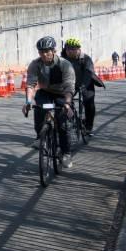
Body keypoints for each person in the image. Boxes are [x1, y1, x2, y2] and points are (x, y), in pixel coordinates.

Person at [24, 36, 77, 167]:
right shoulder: (35, 64)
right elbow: (30, 84)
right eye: (41, 52)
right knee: (39, 109)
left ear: (54, 51)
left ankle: (66, 153)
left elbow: (69, 86)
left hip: (62, 94)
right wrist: (28, 101)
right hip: (45, 92)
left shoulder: (64, 64)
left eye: (47, 51)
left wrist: (67, 103)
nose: (44, 54)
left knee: (63, 124)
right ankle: (40, 136)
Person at [62, 37, 104, 136]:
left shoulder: (85, 58)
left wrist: (83, 86)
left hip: (85, 83)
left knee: (89, 102)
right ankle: (71, 119)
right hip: (70, 84)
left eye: (73, 49)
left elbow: (88, 73)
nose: (70, 51)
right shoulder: (62, 58)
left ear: (78, 49)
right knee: (64, 102)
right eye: (68, 49)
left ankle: (88, 126)